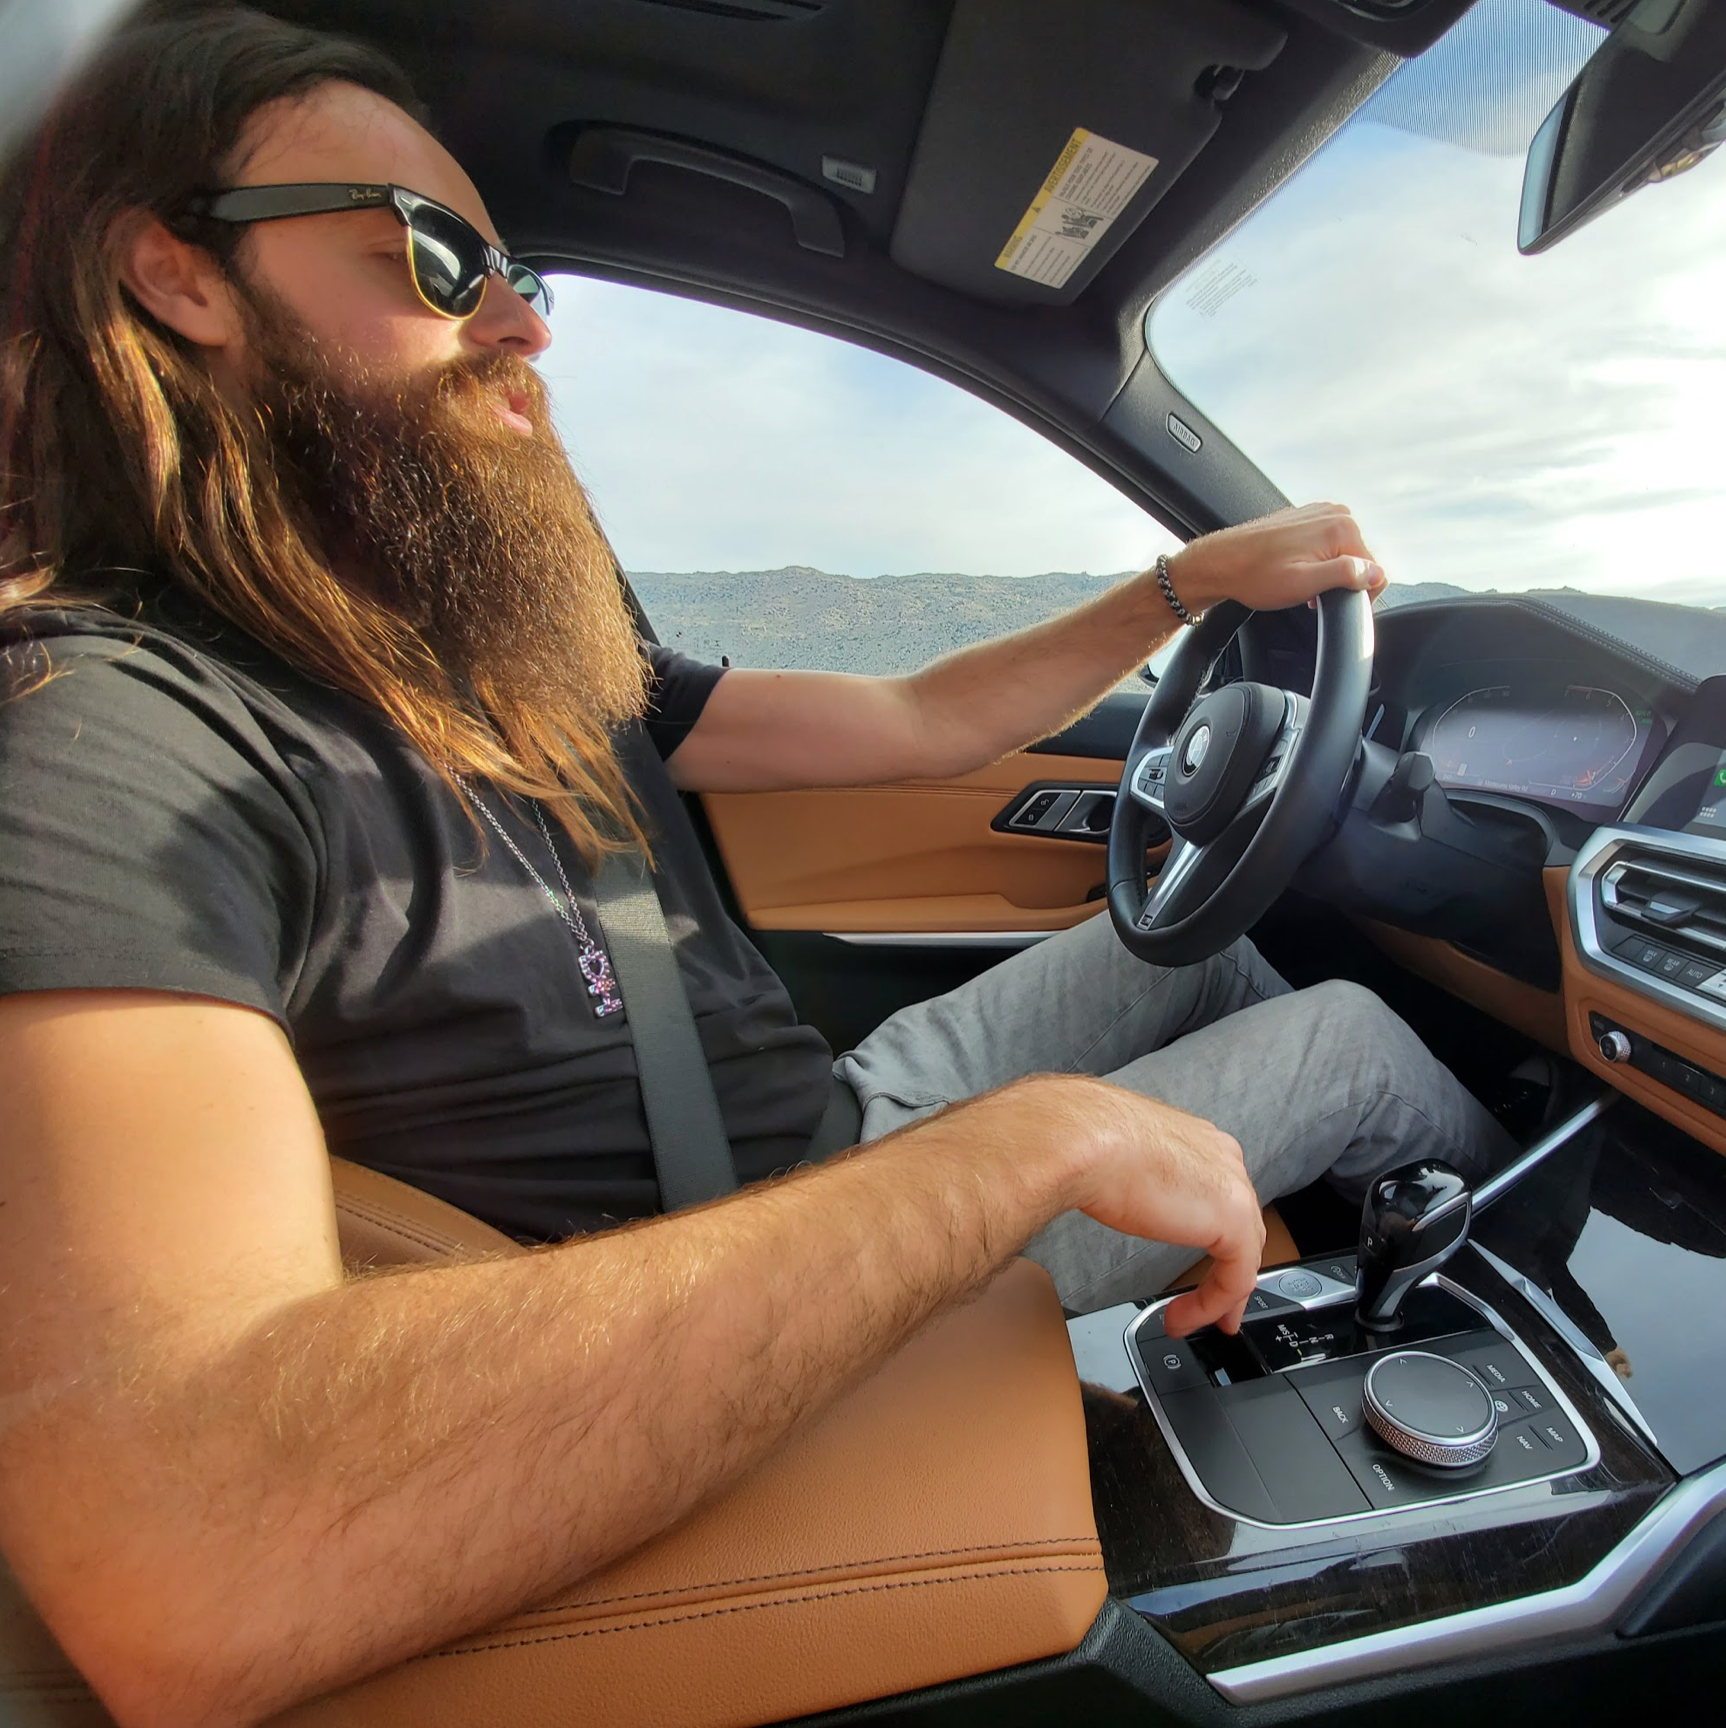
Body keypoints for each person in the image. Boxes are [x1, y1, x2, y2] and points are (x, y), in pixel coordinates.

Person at [0, 9, 1516, 1725]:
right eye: (428, 256)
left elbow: (917, 717)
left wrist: (1177, 591)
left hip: (827, 1117)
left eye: (518, 275)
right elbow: (187, 1546)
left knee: (1202, 957)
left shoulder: (486, 650)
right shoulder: (117, 740)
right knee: (1358, 1046)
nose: (513, 319)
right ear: (180, 279)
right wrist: (1003, 1165)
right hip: (754, 1265)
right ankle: (1570, 1352)